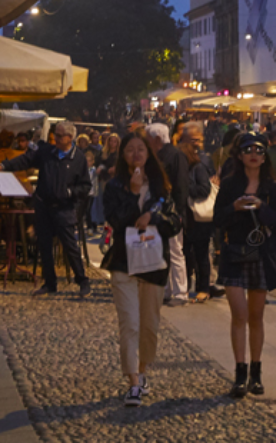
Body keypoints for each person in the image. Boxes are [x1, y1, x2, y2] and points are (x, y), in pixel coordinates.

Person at [101, 131, 182, 407]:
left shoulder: (162, 188)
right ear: (123, 157)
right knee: (130, 323)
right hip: (124, 262)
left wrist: (154, 216)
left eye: (141, 150)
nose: (136, 154)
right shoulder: (114, 187)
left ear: (149, 154)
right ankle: (133, 381)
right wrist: (133, 193)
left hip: (154, 263)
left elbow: (176, 222)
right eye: (130, 150)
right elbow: (116, 220)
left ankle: (143, 371)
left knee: (149, 325)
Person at [213, 132, 276, 398]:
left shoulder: (274, 188)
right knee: (239, 314)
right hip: (235, 253)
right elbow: (217, 219)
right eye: (248, 150)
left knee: (256, 316)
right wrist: (235, 207)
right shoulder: (231, 185)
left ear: (264, 156)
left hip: (262, 255)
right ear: (240, 155)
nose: (254, 154)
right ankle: (239, 373)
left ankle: (256, 373)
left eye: (259, 150)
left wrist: (260, 208)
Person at [0, 120, 92, 298]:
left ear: (70, 138)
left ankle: (83, 281)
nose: (56, 137)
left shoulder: (78, 158)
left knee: (70, 245)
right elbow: (26, 159)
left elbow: (85, 186)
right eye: (56, 134)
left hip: (64, 208)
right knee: (44, 245)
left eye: (60, 135)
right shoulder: (47, 151)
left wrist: (70, 192)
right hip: (43, 205)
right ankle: (50, 283)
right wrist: (4, 165)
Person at [145, 123, 190, 306]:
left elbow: (181, 186)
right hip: (159, 210)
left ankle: (180, 292)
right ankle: (167, 289)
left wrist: (178, 212)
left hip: (171, 211)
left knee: (175, 251)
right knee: (162, 251)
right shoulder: (157, 156)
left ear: (156, 139)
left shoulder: (175, 155)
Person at [179, 122, 220, 302]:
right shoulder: (190, 167)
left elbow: (204, 189)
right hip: (188, 217)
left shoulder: (199, 167)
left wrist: (185, 189)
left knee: (201, 253)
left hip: (199, 218)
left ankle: (203, 288)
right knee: (186, 253)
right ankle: (186, 287)